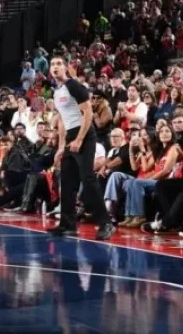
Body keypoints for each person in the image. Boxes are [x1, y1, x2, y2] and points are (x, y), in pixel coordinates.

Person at [47, 57, 115, 240]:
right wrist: (62, 146)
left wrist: (79, 139)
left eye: (59, 64)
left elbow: (88, 113)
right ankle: (67, 224)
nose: (55, 67)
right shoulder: (57, 91)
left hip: (84, 135)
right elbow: (62, 121)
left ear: (66, 68)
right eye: (52, 64)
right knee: (67, 181)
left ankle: (106, 223)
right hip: (70, 136)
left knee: (88, 178)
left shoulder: (74, 86)